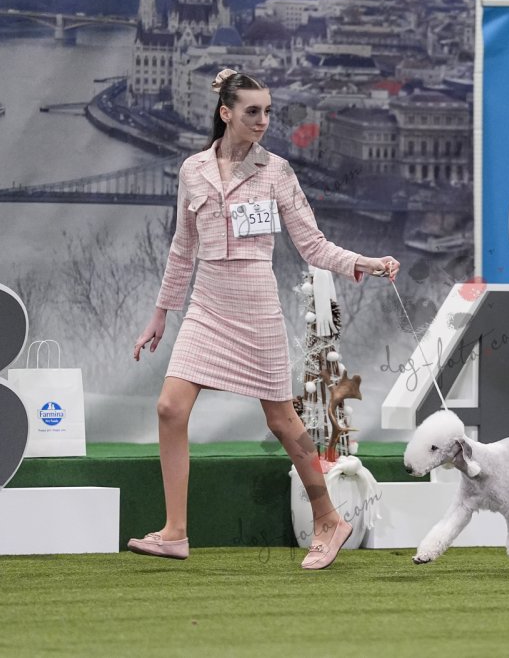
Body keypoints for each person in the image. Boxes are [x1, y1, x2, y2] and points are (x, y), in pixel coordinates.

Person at [128, 69, 400, 569]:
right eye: (252, 111)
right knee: (169, 408)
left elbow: (313, 245)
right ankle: (174, 532)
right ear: (226, 113)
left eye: (268, 111)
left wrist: (364, 263)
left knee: (281, 420)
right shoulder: (192, 170)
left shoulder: (277, 171)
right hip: (206, 305)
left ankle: (329, 520)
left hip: (257, 308)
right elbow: (182, 248)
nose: (263, 120)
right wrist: (160, 313)